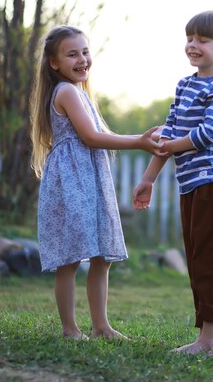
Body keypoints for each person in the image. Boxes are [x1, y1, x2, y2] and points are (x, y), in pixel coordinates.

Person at [30, 25, 164, 340]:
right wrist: (139, 141)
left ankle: (101, 326)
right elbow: (91, 138)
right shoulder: (65, 91)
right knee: (71, 257)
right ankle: (69, 328)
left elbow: (93, 138)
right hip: (72, 185)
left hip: (90, 183)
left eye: (85, 52)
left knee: (102, 257)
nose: (82, 59)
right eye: (72, 54)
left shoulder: (80, 92)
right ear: (54, 63)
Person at [132, 10, 213, 357]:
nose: (193, 45)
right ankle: (203, 339)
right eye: (190, 38)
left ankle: (208, 342)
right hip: (190, 185)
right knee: (195, 258)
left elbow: (206, 135)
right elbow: (169, 132)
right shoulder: (185, 85)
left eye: (202, 40)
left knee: (208, 259)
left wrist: (171, 143)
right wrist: (148, 178)